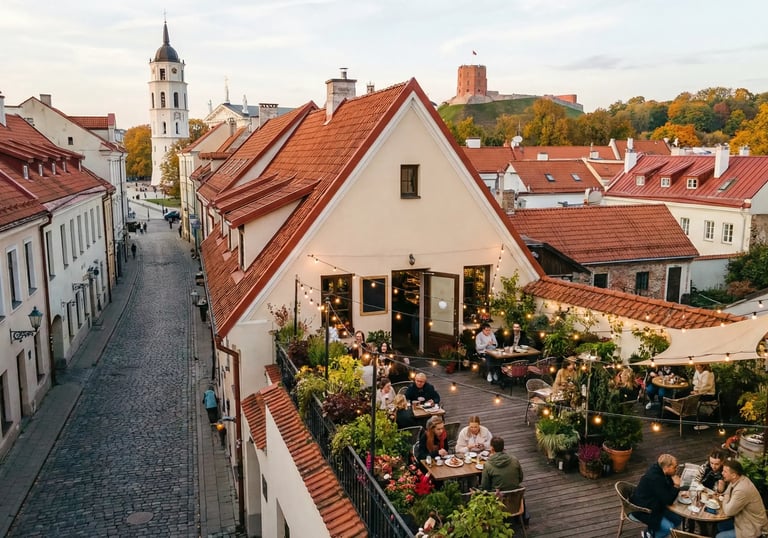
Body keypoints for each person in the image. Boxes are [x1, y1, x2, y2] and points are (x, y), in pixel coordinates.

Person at [631, 453, 683, 538]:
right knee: (669, 527)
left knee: (678, 519)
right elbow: (668, 501)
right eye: (674, 467)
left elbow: (666, 490)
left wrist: (673, 478)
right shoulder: (655, 479)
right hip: (644, 509)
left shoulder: (661, 470)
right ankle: (649, 536)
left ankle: (651, 532)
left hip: (657, 503)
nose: (676, 469)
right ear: (666, 467)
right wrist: (676, 486)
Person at [716, 458, 768, 538]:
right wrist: (723, 492)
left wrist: (725, 497)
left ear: (733, 475)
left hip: (752, 528)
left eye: (725, 472)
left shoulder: (742, 489)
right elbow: (726, 493)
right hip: (741, 520)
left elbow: (728, 511)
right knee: (719, 525)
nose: (722, 473)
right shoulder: (737, 480)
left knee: (719, 536)